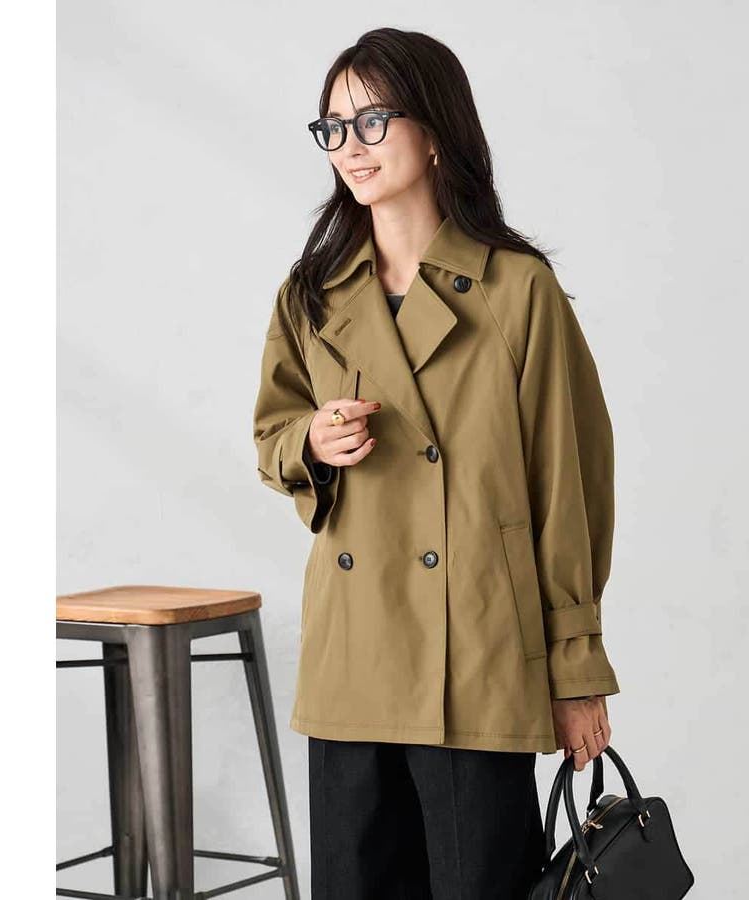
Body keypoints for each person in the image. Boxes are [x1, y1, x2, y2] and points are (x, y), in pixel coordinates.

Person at [252, 27, 621, 899]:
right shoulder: (312, 291)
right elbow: (273, 434)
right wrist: (312, 442)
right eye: (333, 127)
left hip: (479, 651)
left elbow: (568, 489)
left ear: (434, 131)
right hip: (352, 650)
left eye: (372, 120)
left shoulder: (517, 289)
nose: (349, 145)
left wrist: (575, 671)